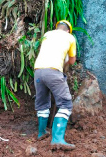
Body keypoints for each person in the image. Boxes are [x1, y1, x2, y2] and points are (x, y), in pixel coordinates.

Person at [33, 19, 78, 150]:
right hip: (53, 71)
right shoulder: (70, 37)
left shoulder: (47, 34)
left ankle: (41, 133)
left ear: (57, 27)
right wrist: (65, 63)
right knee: (66, 104)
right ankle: (57, 139)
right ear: (68, 30)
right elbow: (72, 60)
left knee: (42, 103)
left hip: (38, 71)